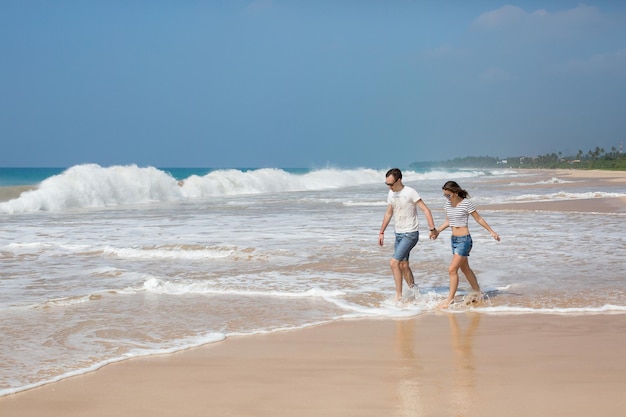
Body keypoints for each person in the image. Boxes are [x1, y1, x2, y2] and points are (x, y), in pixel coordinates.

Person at [434, 181, 500, 309]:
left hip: (464, 241)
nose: (446, 198)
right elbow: (448, 221)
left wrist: (492, 232)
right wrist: (437, 231)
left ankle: (450, 300)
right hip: (454, 240)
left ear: (456, 192)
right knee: (465, 269)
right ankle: (478, 292)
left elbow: (478, 218)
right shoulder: (448, 204)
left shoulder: (466, 203)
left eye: (448, 195)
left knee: (452, 269)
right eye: (445, 195)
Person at [379, 168, 438, 301]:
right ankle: (414, 291)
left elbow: (425, 209)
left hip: (410, 234)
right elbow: (389, 213)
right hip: (398, 234)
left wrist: (432, 229)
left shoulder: (410, 192)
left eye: (391, 184)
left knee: (394, 263)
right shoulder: (390, 193)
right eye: (387, 184)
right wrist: (382, 231)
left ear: (399, 180)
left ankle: (398, 296)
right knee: (403, 264)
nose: (389, 187)